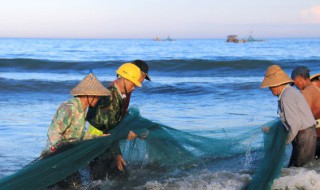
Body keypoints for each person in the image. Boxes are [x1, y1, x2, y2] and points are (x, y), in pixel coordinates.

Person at [41, 72, 110, 188]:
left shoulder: (83, 111)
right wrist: (58, 150)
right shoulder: (70, 108)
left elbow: (78, 136)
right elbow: (53, 131)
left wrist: (97, 137)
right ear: (88, 94)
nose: (99, 99)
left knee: (76, 185)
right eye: (97, 95)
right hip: (55, 158)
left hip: (68, 157)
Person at [86, 61, 151, 181]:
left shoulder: (120, 95)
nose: (134, 88)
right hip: (96, 144)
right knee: (97, 182)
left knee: (121, 177)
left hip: (107, 143)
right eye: (134, 84)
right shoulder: (110, 98)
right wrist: (118, 152)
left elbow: (115, 123)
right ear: (125, 79)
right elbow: (108, 129)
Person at [261, 65, 317, 167]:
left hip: (304, 136)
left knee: (300, 170)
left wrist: (285, 141)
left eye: (270, 87)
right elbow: (290, 121)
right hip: (305, 134)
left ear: (276, 85)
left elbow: (295, 124)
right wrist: (272, 130)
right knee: (296, 169)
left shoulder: (286, 97)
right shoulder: (289, 93)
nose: (270, 90)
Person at [291, 66, 320, 157]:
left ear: (299, 78)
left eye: (294, 81)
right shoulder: (316, 89)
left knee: (301, 167)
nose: (295, 85)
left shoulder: (306, 92)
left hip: (317, 135)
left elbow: (301, 116)